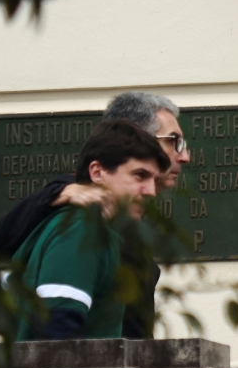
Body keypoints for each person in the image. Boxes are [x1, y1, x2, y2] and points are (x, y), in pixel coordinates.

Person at [0, 91, 191, 339]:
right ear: (136, 134)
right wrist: (58, 192)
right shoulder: (79, 220)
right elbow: (57, 332)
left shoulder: (125, 216)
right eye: (174, 141)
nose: (185, 156)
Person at [12, 120, 169, 341]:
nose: (151, 191)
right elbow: (57, 333)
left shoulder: (94, 229)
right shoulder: (81, 228)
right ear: (97, 172)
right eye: (139, 175)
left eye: (155, 180)